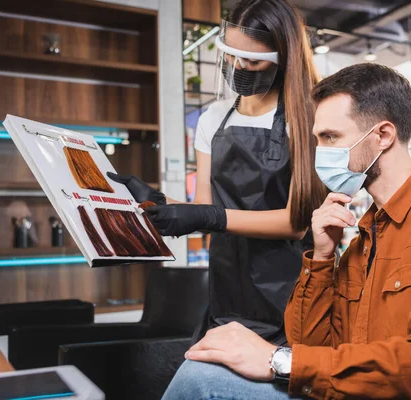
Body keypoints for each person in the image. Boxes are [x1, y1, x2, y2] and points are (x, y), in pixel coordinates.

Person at [163, 63, 411, 399]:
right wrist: (320, 258)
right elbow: (314, 348)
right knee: (201, 366)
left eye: (331, 137)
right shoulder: (365, 234)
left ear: (382, 135)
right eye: (317, 139)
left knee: (199, 383)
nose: (320, 153)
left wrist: (277, 360)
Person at [109, 0, 324, 348]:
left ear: (283, 60)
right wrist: (156, 201)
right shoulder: (214, 118)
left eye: (252, 61)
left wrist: (210, 216)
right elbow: (204, 207)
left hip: (290, 298)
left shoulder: (307, 119)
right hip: (227, 297)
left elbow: (296, 223)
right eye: (231, 56)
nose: (238, 68)